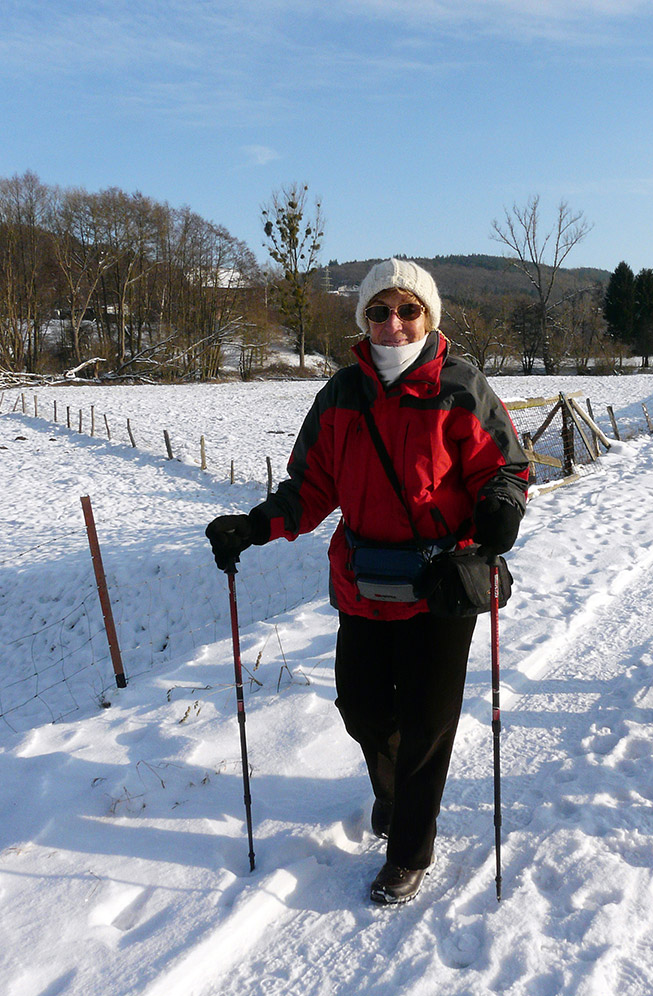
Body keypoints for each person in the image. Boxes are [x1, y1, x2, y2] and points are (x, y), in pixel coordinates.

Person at [206, 258, 529, 905]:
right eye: (379, 311)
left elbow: (507, 468)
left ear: (427, 317)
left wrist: (499, 509)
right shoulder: (340, 396)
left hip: (442, 583)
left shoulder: (460, 386)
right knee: (361, 708)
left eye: (407, 310)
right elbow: (310, 487)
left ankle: (410, 848)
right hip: (364, 583)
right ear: (365, 320)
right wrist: (255, 525)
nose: (393, 322)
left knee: (428, 721)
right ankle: (393, 792)